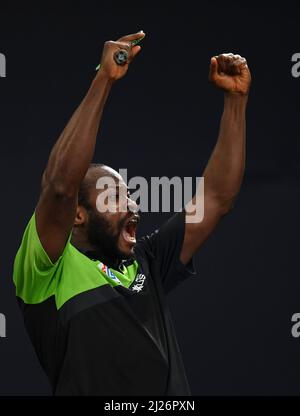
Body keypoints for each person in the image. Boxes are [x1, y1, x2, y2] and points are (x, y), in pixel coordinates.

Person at [13, 31, 251, 395]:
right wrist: (103, 79)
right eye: (113, 197)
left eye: (131, 194)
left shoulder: (148, 261)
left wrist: (236, 101)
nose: (133, 205)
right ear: (77, 215)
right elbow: (60, 186)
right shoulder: (47, 273)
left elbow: (217, 197)